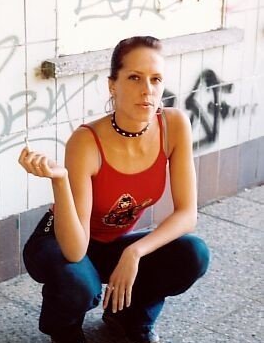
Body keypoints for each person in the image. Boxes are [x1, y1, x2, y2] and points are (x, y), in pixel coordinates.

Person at [19, 36, 210, 343]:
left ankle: (129, 317)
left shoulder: (173, 126)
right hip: (61, 241)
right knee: (79, 284)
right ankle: (64, 330)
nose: (147, 89)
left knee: (193, 254)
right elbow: (76, 249)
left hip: (114, 244)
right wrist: (59, 180)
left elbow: (187, 215)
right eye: (134, 77)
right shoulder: (86, 142)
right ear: (113, 85)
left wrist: (134, 253)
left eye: (155, 79)